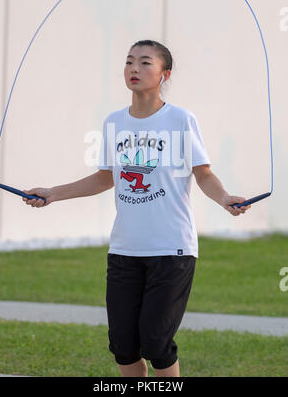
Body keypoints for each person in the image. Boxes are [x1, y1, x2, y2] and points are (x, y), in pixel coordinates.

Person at [22, 39, 251, 377]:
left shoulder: (180, 120)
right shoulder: (114, 123)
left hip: (171, 250)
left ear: (164, 74)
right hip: (125, 249)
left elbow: (202, 174)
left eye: (145, 62)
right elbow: (104, 178)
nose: (134, 68)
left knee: (156, 343)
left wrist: (224, 198)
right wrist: (53, 193)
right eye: (130, 61)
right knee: (124, 346)